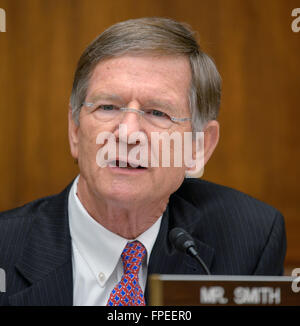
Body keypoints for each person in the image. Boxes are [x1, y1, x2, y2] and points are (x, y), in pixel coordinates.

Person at [0, 17, 286, 306]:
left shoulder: (248, 240)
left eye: (157, 113)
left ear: (198, 147)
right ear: (75, 131)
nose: (127, 133)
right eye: (108, 107)